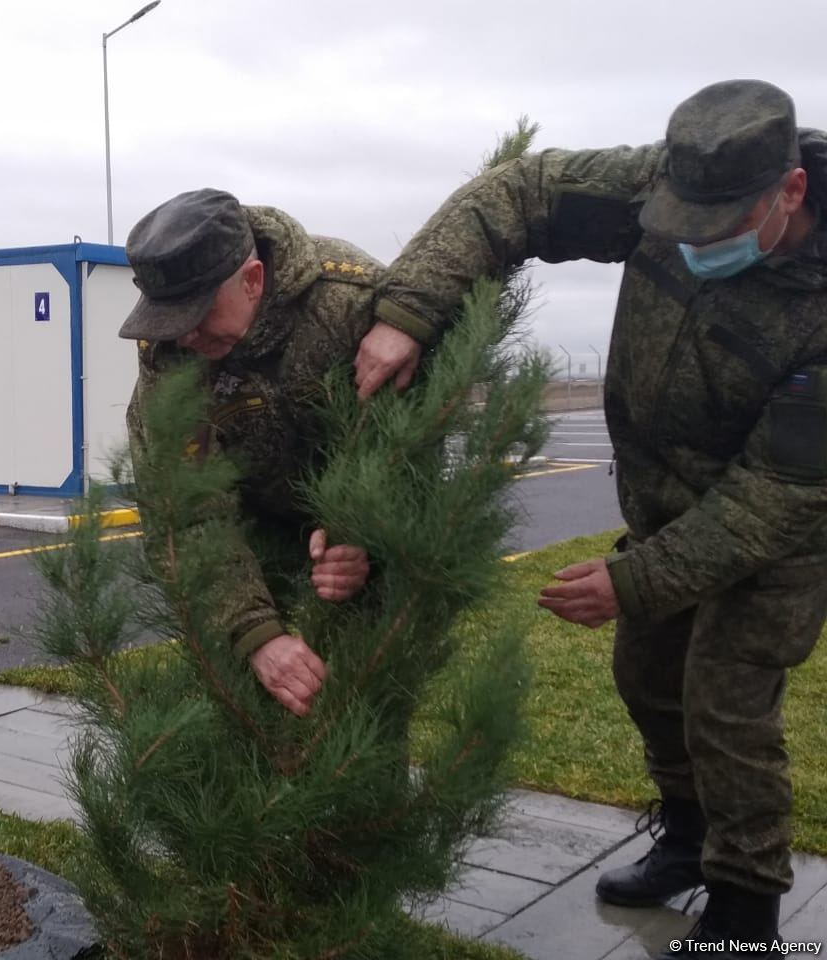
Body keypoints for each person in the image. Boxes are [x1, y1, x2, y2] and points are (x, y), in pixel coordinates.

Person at [354, 80, 827, 958]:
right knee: (647, 674)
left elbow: (777, 494)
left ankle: (747, 905)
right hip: (662, 504)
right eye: (675, 223)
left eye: (713, 229)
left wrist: (633, 578)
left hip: (780, 532)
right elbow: (515, 192)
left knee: (726, 703)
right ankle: (686, 839)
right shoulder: (661, 186)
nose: (686, 246)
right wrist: (409, 313)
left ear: (789, 194)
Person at [120, 188, 377, 719]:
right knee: (248, 714)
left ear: (253, 280)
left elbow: (415, 435)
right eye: (169, 318)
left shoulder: (349, 301)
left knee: (363, 715)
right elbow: (182, 506)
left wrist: (367, 529)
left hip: (359, 522)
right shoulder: (169, 348)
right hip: (247, 539)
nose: (183, 336)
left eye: (196, 313)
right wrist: (253, 632)